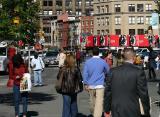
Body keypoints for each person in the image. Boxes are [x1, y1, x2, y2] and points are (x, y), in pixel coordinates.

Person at [104, 48, 150, 117]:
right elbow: (143, 94)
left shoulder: (112, 71)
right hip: (132, 108)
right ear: (134, 58)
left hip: (116, 108)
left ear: (123, 58)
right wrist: (146, 111)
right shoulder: (138, 72)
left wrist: (106, 109)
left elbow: (108, 92)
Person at [82, 47, 110, 117]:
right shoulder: (103, 61)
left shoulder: (88, 62)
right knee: (99, 102)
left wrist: (85, 83)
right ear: (99, 52)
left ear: (92, 53)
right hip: (100, 85)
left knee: (92, 101)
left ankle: (94, 113)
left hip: (90, 85)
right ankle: (97, 114)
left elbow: (85, 73)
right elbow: (108, 71)